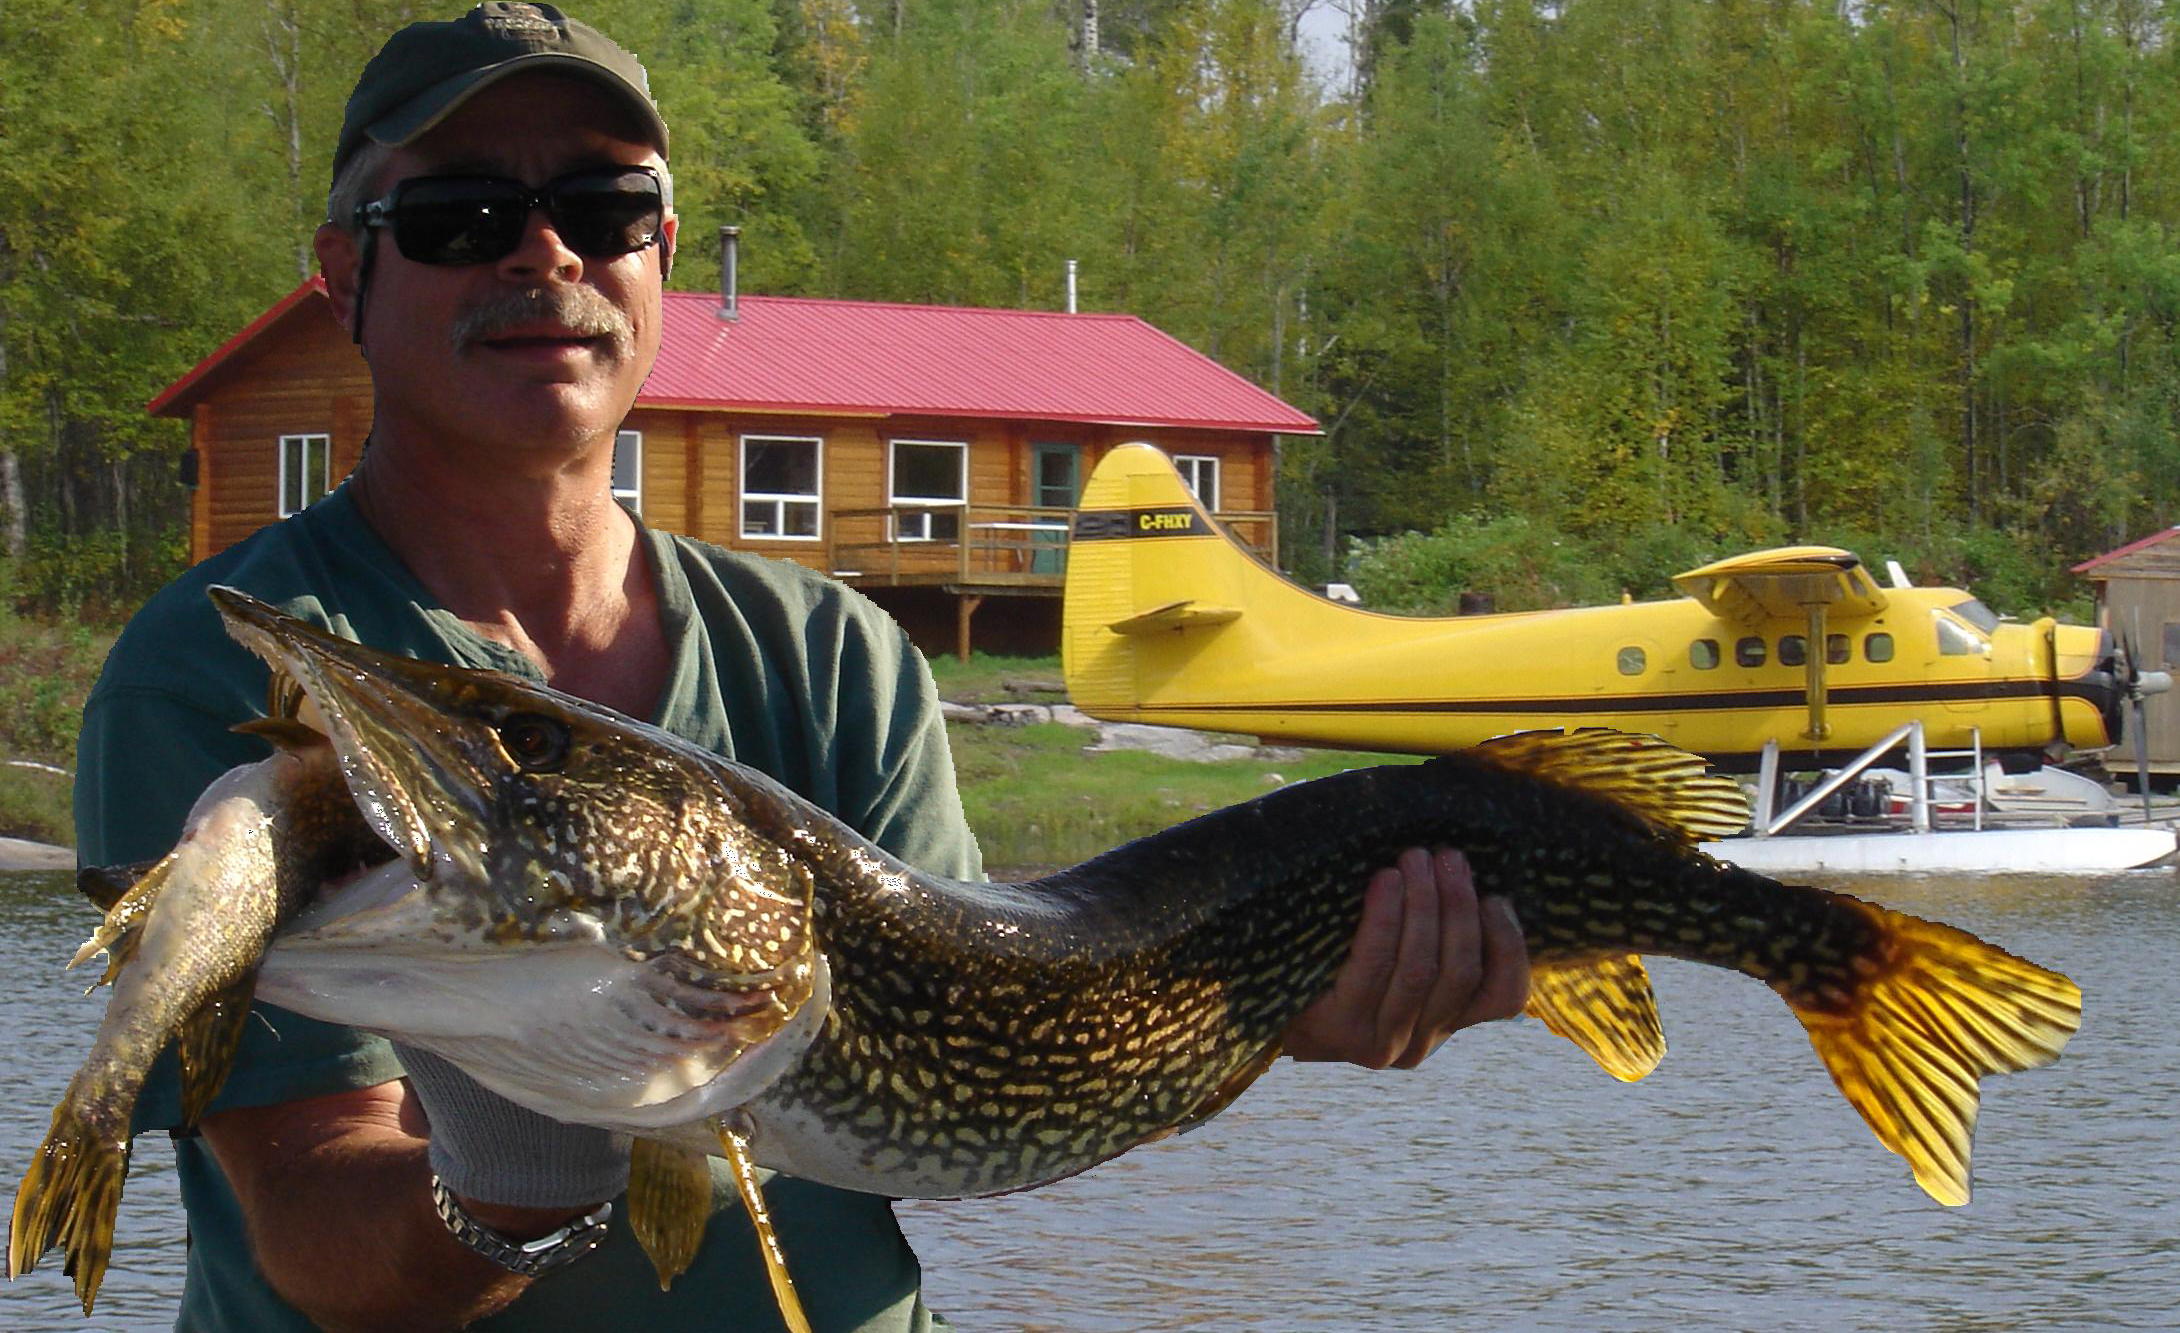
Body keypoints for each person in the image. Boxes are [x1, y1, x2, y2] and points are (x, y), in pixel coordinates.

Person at [73, 6, 1530, 1330]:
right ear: (346, 275)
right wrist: (514, 1176)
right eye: (462, 216)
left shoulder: (834, 656)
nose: (546, 253)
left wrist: (1268, 1010)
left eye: (605, 205)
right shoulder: (226, 676)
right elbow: (322, 1247)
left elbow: (1009, 1071)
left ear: (661, 254)